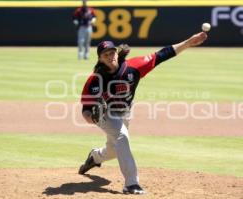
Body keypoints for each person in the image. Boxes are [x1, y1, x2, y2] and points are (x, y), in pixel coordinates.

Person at [79, 32, 208, 194]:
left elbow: (162, 55)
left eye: (112, 52)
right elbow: (85, 110)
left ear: (117, 53)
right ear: (100, 59)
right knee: (122, 136)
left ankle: (95, 157)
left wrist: (188, 43)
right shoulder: (94, 80)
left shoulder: (133, 67)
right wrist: (92, 118)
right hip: (104, 115)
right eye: (106, 54)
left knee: (114, 149)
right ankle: (131, 184)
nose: (110, 56)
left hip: (125, 113)